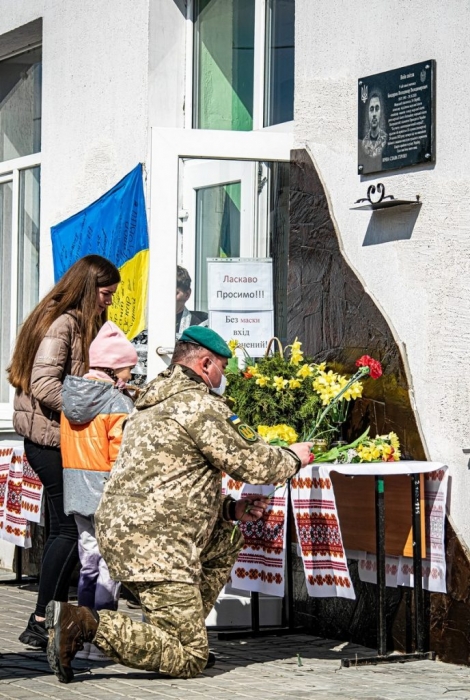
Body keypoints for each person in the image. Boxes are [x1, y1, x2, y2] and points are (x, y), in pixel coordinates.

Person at [44, 325, 313, 683]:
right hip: (157, 544)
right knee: (189, 659)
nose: (224, 377)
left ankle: (181, 634)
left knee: (227, 538)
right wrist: (292, 457)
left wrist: (229, 510)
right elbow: (253, 463)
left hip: (130, 531)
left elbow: (170, 484)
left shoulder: (150, 403)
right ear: (205, 364)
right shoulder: (198, 406)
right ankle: (85, 624)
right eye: (222, 368)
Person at [7, 254, 121, 649]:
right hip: (51, 440)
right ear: (89, 288)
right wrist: (89, 411)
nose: (109, 301)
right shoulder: (63, 323)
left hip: (54, 439)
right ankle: (41, 619)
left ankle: (43, 619)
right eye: (106, 293)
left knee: (64, 529)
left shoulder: (63, 318)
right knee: (70, 530)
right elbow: (43, 384)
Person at [61, 321, 138, 661]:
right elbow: (122, 455)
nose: (131, 376)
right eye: (128, 369)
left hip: (77, 491)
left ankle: (79, 638)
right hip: (107, 493)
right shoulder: (116, 403)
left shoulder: (72, 398)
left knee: (88, 563)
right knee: (110, 569)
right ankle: (104, 641)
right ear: (113, 366)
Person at [175, 265, 208, 336]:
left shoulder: (199, 326)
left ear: (187, 294)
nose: (169, 298)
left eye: (175, 293)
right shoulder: (151, 321)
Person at [362, 91, 387, 158]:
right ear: (368, 113)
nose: (374, 114)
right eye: (371, 109)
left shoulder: (386, 139)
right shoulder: (364, 143)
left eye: (377, 109)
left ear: (380, 112)